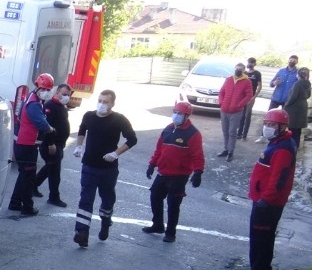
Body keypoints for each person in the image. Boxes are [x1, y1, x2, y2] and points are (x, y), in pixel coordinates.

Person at [71, 89, 138, 248]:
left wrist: (116, 153)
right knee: (86, 199)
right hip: (89, 166)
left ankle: (106, 222)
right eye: (100, 100)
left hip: (108, 169)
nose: (101, 104)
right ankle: (82, 233)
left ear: (112, 104)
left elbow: (132, 139)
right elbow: (82, 130)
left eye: (105, 102)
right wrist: (79, 147)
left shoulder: (119, 120)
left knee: (107, 200)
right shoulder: (89, 116)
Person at [239, 108, 297, 270]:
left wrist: (266, 199)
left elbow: (279, 179)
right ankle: (261, 267)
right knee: (262, 235)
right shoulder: (278, 142)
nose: (267, 127)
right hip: (264, 198)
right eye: (266, 124)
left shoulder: (282, 148)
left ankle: (259, 269)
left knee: (261, 236)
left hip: (268, 202)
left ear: (282, 127)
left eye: (271, 125)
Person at [143, 102, 205, 243]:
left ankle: (171, 233)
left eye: (180, 113)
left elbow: (197, 155)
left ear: (186, 116)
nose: (176, 115)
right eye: (175, 112)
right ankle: (158, 225)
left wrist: (198, 172)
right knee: (155, 197)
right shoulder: (168, 129)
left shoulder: (193, 134)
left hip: (179, 175)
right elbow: (159, 149)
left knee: (173, 204)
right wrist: (152, 164)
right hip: (163, 172)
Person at [8, 73, 56, 217]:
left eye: (48, 89)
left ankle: (15, 203)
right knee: (28, 178)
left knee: (24, 175)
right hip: (26, 145)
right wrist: (51, 130)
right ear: (37, 86)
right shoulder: (34, 104)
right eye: (44, 89)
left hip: (24, 144)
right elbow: (41, 123)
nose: (46, 92)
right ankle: (27, 207)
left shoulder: (33, 98)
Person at [33, 83, 72, 207]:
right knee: (54, 172)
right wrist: (51, 143)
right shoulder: (50, 106)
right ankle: (54, 197)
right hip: (51, 145)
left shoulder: (62, 106)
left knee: (50, 168)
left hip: (58, 144)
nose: (66, 97)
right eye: (64, 94)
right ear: (57, 93)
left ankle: (33, 185)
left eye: (68, 95)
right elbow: (47, 126)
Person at [216, 62, 254, 161]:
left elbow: (249, 95)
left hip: (236, 111)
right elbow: (221, 92)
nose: (238, 70)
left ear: (243, 70)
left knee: (232, 132)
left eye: (240, 69)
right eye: (237, 68)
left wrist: (239, 104)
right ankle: (225, 149)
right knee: (225, 131)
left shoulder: (247, 82)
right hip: (224, 110)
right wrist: (221, 102)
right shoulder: (228, 79)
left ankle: (230, 151)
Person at [237, 57, 263, 141]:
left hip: (251, 97)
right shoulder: (244, 73)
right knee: (241, 115)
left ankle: (244, 135)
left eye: (251, 62)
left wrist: (254, 96)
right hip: (242, 97)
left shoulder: (257, 73)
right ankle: (239, 133)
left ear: (254, 64)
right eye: (248, 62)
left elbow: (259, 85)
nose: (250, 64)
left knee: (247, 115)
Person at [283, 67, 310, 147]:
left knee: (292, 128)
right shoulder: (308, 83)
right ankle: (296, 145)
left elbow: (293, 97)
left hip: (294, 108)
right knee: (298, 129)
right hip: (303, 106)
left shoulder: (297, 83)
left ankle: (292, 146)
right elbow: (308, 95)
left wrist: (286, 105)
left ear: (298, 74)